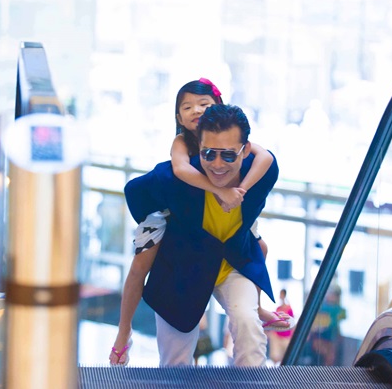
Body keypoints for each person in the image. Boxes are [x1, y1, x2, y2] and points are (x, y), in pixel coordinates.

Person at [109, 80, 293, 366]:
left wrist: (240, 191)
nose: (218, 164)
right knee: (174, 363)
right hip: (181, 264)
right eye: (209, 154)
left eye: (228, 154)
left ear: (243, 150)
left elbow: (267, 159)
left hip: (229, 259)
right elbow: (138, 188)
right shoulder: (174, 173)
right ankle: (124, 332)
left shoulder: (258, 171)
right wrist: (217, 192)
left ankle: (256, 325)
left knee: (249, 318)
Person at [267, 288, 294, 365]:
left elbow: (292, 323)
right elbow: (274, 322)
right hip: (277, 336)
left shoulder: (289, 309)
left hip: (286, 336)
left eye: (281, 294)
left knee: (286, 356)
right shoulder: (278, 309)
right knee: (275, 356)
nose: (280, 296)